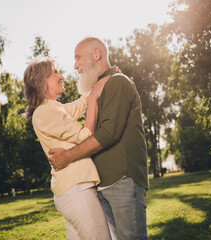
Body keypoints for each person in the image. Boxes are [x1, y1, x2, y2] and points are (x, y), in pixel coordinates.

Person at [49, 37, 149, 240]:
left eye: (78, 58)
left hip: (123, 180)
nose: (75, 65)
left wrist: (67, 157)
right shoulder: (100, 89)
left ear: (97, 55)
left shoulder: (118, 82)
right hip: (104, 184)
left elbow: (108, 134)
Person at [23, 57, 112, 240]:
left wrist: (98, 84)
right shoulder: (45, 113)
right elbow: (85, 137)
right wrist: (94, 99)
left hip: (71, 193)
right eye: (55, 72)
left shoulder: (51, 109)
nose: (61, 75)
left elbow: (78, 106)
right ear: (41, 82)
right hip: (77, 191)